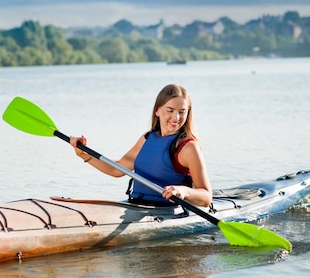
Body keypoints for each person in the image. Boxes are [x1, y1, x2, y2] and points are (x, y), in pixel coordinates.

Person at [70, 84, 212, 207]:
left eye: (182, 112)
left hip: (168, 211)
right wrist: (84, 154)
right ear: (157, 110)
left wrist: (182, 191)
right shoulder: (147, 138)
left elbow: (206, 197)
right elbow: (118, 169)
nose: (176, 117)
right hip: (137, 205)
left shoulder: (188, 147)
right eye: (170, 110)